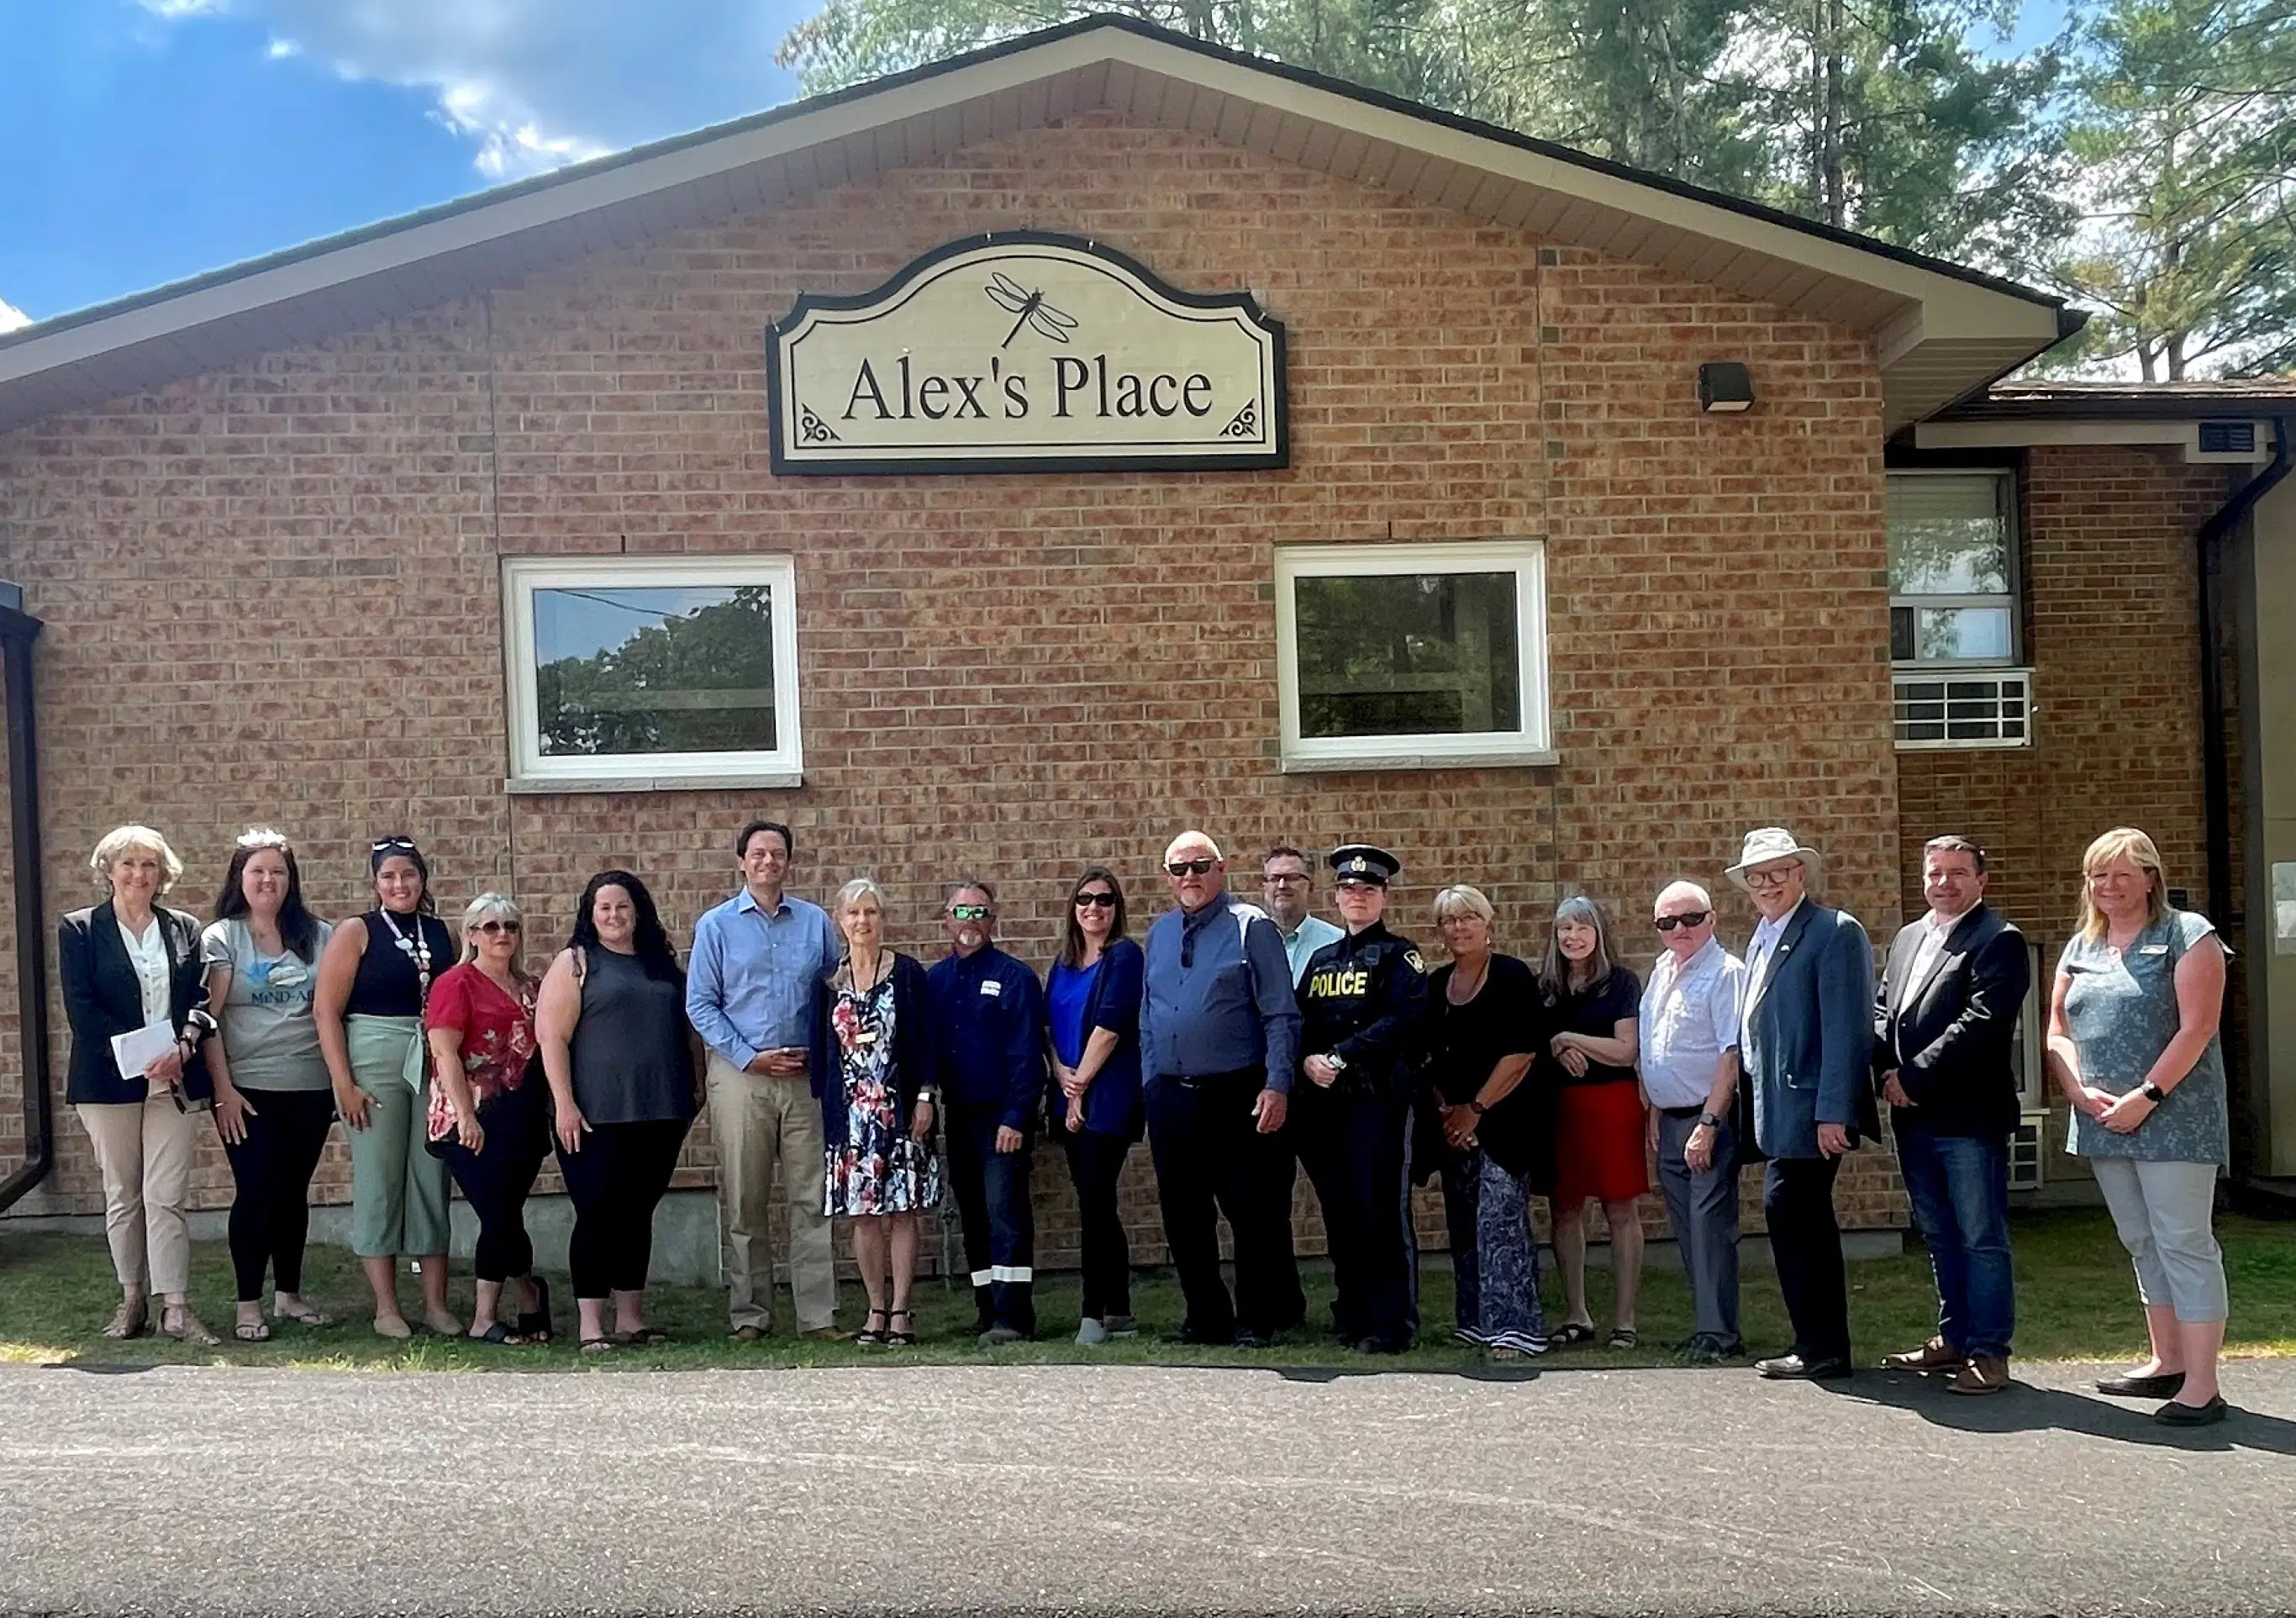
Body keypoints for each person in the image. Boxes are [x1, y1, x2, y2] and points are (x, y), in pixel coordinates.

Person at [2047, 827, 2233, 1426]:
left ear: (2151, 877)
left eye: (2122, 873)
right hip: (2104, 1120)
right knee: (2141, 1240)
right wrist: (2076, 1088)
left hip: (2174, 1118)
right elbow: (2056, 1030)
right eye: (2098, 874)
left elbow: (2198, 1027)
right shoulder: (2082, 945)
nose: (2108, 885)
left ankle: (2203, 1386)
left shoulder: (2188, 935)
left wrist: (2147, 1094)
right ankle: (2167, 1361)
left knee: (2185, 1243)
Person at [1873, 835, 2030, 1396]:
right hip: (1911, 1119)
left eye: (1958, 872)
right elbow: (1883, 1008)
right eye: (1935, 872)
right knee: (1939, 1233)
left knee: (1980, 1235)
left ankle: (1990, 1351)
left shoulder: (1999, 940)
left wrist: (1912, 1076)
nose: (1944, 882)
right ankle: (1955, 1337)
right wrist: (1883, 1072)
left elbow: (1982, 1022)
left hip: (1967, 1117)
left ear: (1981, 880)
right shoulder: (1909, 936)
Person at [59, 825, 221, 1345]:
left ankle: (175, 1306)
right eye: (128, 864)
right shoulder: (80, 930)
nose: (139, 874)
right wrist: (139, 1055)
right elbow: (82, 1008)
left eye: (149, 865)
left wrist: (184, 1046)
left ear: (163, 873)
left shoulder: (184, 928)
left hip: (173, 1077)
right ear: (108, 869)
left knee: (166, 1193)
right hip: (107, 1081)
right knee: (123, 1194)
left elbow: (199, 996)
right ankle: (132, 1299)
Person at [1138, 830, 1301, 1347]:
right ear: (1168, 878)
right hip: (1171, 1095)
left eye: (1200, 866)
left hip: (1239, 1091)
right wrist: (1150, 1080)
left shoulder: (1252, 926)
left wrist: (1278, 1084)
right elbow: (1148, 1013)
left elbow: (1280, 1013)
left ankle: (1256, 1318)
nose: (1190, 877)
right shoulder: (1159, 934)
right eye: (1180, 869)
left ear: (1222, 869)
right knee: (1184, 1213)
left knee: (1251, 1211)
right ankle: (1205, 1316)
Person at [687, 819, 847, 1342]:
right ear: (741, 861)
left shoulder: (815, 922)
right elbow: (700, 1006)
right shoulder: (716, 926)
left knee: (811, 1198)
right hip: (742, 1078)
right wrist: (750, 1057)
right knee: (745, 1201)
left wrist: (822, 1052)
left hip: (804, 1080)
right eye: (757, 853)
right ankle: (750, 1315)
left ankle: (818, 1317)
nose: (767, 862)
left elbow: (833, 991)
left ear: (788, 862)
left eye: (777, 853)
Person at [1730, 826, 1877, 1381]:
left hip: (1812, 1107)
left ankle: (1823, 1348)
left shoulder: (1833, 931)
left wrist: (1834, 1110)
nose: (1767, 883)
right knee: (1794, 1215)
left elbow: (1848, 1028)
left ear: (1800, 874)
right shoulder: (1765, 933)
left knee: (1794, 1213)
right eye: (1757, 875)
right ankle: (1816, 1344)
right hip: (1776, 1105)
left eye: (1778, 872)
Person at [535, 870, 699, 1353]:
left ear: (638, 911)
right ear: (590, 913)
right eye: (604, 907)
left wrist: (694, 1083)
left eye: (622, 906)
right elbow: (552, 1038)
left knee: (637, 1214)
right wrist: (563, 1103)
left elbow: (688, 1030)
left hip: (659, 1111)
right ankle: (591, 1323)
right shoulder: (576, 963)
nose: (613, 915)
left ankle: (631, 1318)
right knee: (597, 1212)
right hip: (593, 1115)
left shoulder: (661, 964)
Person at [315, 835, 461, 1339]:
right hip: (374, 1053)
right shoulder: (357, 931)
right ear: (375, 882)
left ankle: (436, 1304)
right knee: (380, 1178)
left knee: (431, 1173)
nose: (400, 884)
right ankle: (386, 1307)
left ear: (423, 879)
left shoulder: (441, 933)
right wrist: (344, 1084)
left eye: (409, 875)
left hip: (432, 1056)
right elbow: (326, 1010)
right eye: (389, 876)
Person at [200, 829, 338, 1343]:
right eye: (257, 871)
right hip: (247, 1092)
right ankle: (247, 1303)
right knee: (257, 1192)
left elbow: (331, 1009)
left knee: (293, 1193)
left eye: (278, 872)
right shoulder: (221, 938)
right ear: (240, 877)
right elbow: (208, 1020)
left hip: (309, 1087)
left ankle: (290, 1295)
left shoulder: (320, 936)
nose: (268, 881)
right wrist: (223, 1091)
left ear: (291, 880)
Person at [1294, 844, 1429, 1354]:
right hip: (1328, 1106)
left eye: (1368, 890)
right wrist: (1309, 1059)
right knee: (1342, 1212)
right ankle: (1351, 1313)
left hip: (1378, 1104)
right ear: (1336, 896)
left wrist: (1344, 1053)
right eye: (1349, 890)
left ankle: (1392, 1322)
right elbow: (1300, 1020)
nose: (1358, 897)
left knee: (1380, 1212)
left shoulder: (1399, 955)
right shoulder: (1322, 960)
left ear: (1384, 897)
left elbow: (1406, 1019)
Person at [811, 878, 940, 1349]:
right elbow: (819, 1050)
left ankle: (902, 1309)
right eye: (853, 914)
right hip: (850, 1119)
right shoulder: (828, 982)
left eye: (871, 913)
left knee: (903, 1212)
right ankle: (875, 1309)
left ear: (883, 920)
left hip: (900, 1111)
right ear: (840, 922)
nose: (862, 922)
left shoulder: (907, 974)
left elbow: (928, 1042)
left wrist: (926, 1096)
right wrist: (828, 1113)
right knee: (864, 1216)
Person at [1424, 883, 1546, 1357]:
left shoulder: (1513, 977)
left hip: (1503, 1121)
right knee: (1463, 1225)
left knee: (1501, 1225)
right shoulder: (1436, 985)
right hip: (1455, 1127)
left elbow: (1521, 1054)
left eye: (1468, 917)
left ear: (1489, 924)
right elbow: (1427, 1056)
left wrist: (1474, 1110)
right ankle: (1473, 1321)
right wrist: (1449, 1114)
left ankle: (1517, 1328)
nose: (1459, 927)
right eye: (1450, 920)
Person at [424, 893, 550, 1346]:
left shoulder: (534, 988)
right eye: (491, 926)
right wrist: (466, 1116)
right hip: (469, 1118)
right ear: (472, 934)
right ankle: (488, 1314)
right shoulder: (455, 983)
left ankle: (531, 1295)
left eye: (510, 927)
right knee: (496, 1213)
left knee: (507, 1213)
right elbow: (444, 1054)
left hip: (523, 1118)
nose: (502, 935)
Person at [926, 878, 1047, 1346]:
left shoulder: (1015, 977)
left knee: (1005, 1214)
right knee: (974, 1215)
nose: (970, 921)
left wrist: (1017, 1116)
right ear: (946, 920)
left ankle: (1014, 1317)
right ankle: (986, 1309)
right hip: (959, 1117)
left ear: (993, 920)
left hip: (1003, 1120)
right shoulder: (935, 981)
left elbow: (1026, 1053)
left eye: (980, 912)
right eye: (961, 912)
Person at [1638, 881, 1748, 1364]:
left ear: (1712, 919)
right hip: (1669, 1119)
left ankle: (1720, 1335)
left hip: (1708, 1120)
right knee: (1687, 1231)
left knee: (1709, 1230)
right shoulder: (1661, 971)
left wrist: (1708, 1122)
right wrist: (1655, 1110)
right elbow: (1658, 1048)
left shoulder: (1726, 973)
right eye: (1667, 922)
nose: (1679, 929)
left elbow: (1731, 1052)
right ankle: (1706, 1327)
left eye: (1690, 918)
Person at [1540, 894, 1646, 1350]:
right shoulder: (1544, 986)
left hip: (1612, 1104)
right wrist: (1558, 1050)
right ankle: (1577, 1313)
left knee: (1620, 1208)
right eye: (1565, 928)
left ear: (1599, 933)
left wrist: (1567, 1037)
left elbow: (1626, 1050)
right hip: (1561, 1107)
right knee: (1563, 1209)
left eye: (1582, 928)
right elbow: (1534, 1045)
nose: (1573, 937)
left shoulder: (1621, 983)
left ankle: (1625, 1320)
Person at [1045, 866, 1146, 1345]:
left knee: (1094, 1198)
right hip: (1070, 1091)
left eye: (1104, 900)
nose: (1094, 908)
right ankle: (1120, 1310)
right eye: (1085, 900)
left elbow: (1110, 1027)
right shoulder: (1062, 965)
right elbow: (1048, 1030)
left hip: (1106, 1098)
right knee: (1097, 1202)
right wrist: (1061, 1074)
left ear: (1116, 908)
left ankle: (1093, 1315)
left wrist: (1079, 1087)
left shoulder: (1124, 956)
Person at [1263, 844, 1344, 985]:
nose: (1282, 886)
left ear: (1310, 886)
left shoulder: (1337, 943)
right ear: (1265, 886)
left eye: (1292, 877)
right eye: (1275, 878)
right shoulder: (1249, 944)